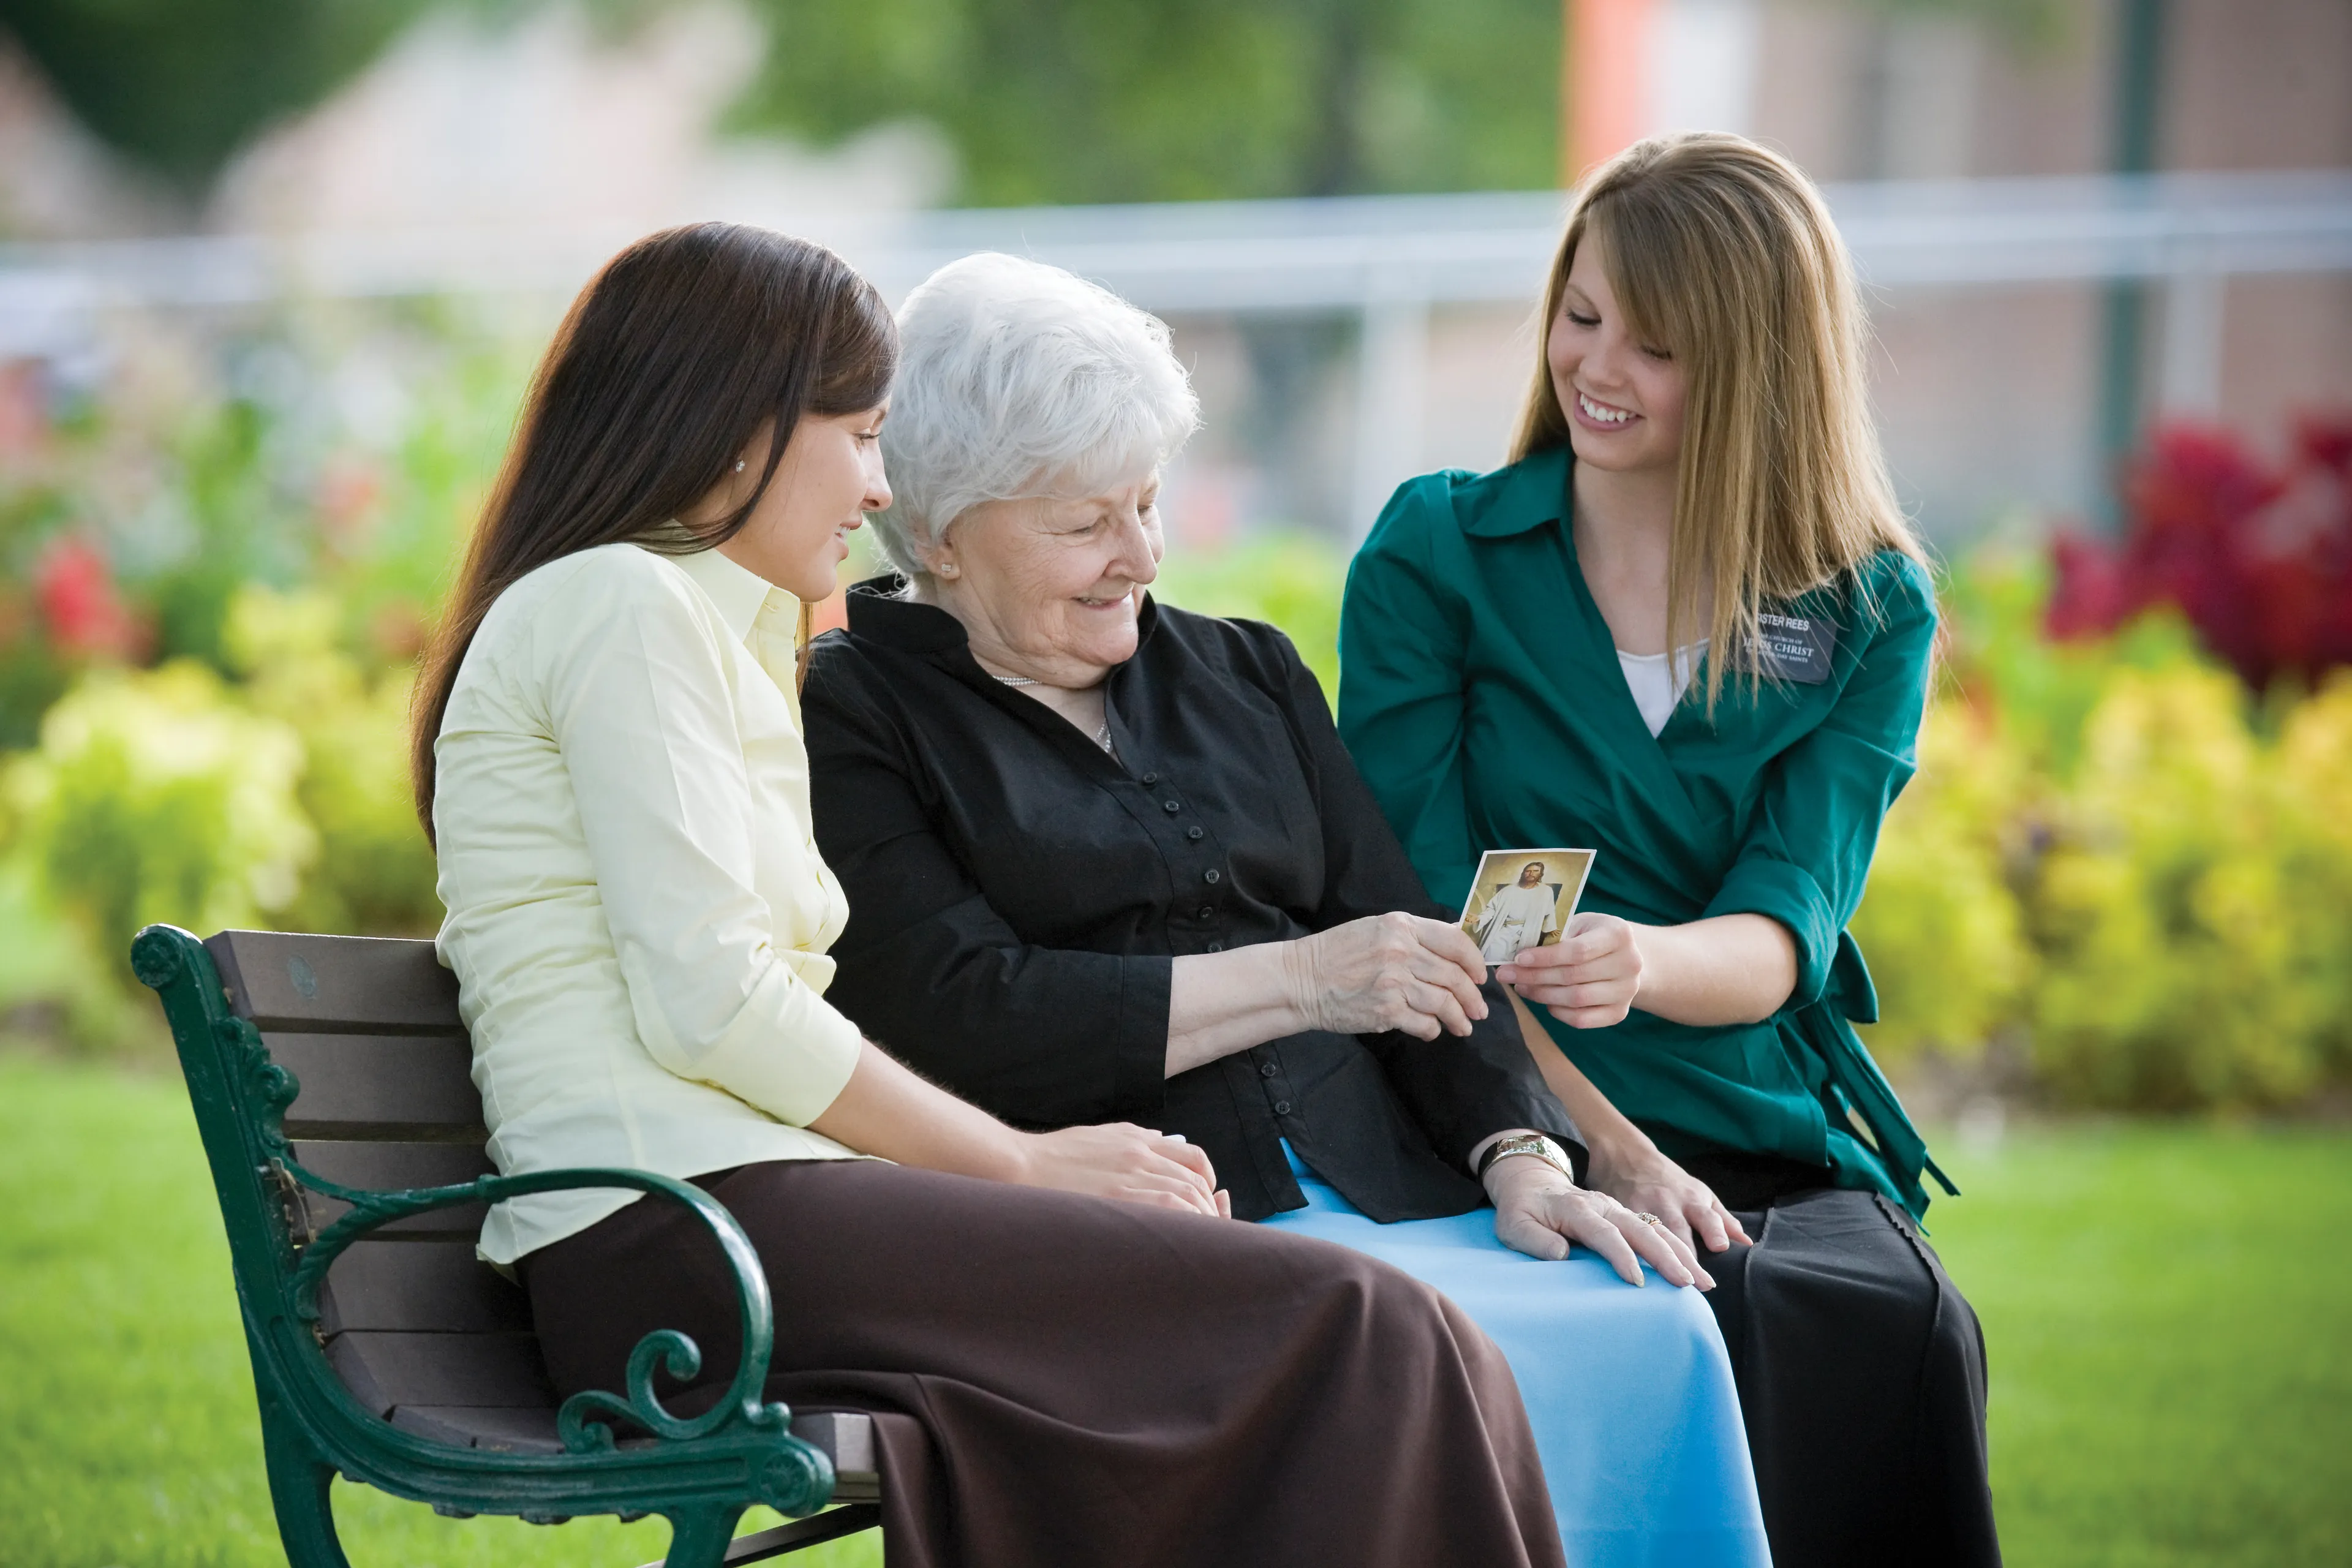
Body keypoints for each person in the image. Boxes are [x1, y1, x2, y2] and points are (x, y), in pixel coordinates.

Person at [417, 222, 1572, 1568]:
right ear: (740, 435)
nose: (877, 482)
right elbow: (715, 1006)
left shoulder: (712, 628)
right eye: (856, 436)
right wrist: (1026, 1166)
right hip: (681, 1239)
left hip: (744, 1215)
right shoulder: (624, 605)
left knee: (1366, 1336)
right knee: (1369, 1327)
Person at [801, 252, 1771, 1568]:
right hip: (1149, 1221)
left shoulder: (1244, 668)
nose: (1139, 555)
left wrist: (1520, 1155)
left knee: (1651, 1318)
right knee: (1391, 1352)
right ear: (946, 531)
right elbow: (961, 1012)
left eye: (1147, 504)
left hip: (1394, 1193)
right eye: (1088, 521)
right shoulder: (857, 707)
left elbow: (1415, 938)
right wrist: (1309, 980)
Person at [1338, 133, 2000, 1568]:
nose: (1598, 366)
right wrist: (1605, 1141)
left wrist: (1637, 959)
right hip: (1481, 1092)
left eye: (1657, 343)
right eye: (1581, 317)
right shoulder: (1433, 554)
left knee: (1885, 1324)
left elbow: (1785, 928)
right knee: (1656, 1315)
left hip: (1747, 1106)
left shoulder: (1871, 608)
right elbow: (1412, 910)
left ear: (1762, 365)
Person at [1474, 861, 1561, 963]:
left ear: (1541, 874)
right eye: (1528, 871)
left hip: (1527, 931)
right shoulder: (1509, 890)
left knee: (1517, 960)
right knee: (1492, 952)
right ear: (1524, 873)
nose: (1531, 873)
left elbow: (1550, 911)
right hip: (1505, 929)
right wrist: (1479, 919)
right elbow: (1493, 909)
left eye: (1535, 871)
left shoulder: (1546, 891)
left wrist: (1551, 928)